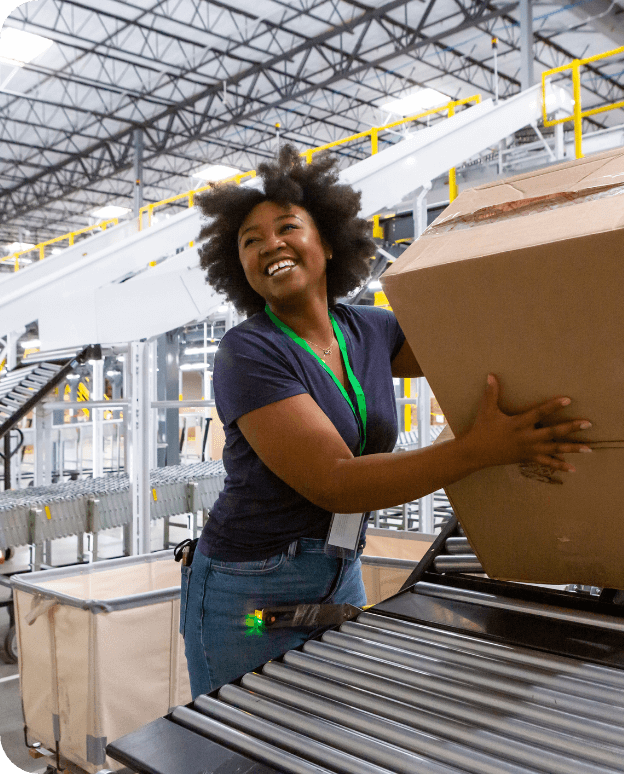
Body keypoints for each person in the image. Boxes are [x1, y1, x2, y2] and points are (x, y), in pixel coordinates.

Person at [179, 145, 592, 699]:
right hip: (248, 602)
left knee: (321, 731)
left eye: (285, 228)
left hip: (340, 571)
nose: (269, 245)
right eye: (250, 242)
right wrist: (479, 450)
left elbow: (478, 352)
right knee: (245, 738)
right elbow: (336, 481)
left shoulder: (370, 330)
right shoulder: (247, 353)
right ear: (240, 271)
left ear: (326, 242)